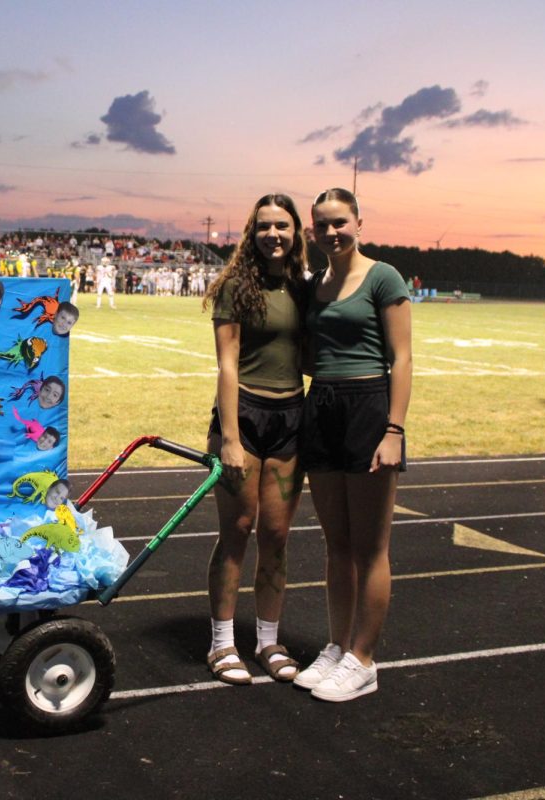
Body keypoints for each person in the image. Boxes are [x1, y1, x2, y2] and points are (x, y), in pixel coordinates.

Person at [295, 188, 412, 702]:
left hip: (368, 405)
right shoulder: (314, 283)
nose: (331, 233)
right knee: (336, 544)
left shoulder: (384, 276)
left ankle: (364, 660)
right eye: (322, 225)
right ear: (311, 231)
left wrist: (394, 430)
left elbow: (402, 358)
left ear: (359, 222)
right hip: (320, 404)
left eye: (339, 222)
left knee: (370, 547)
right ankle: (338, 646)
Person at [200, 193, 309, 686]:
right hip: (242, 414)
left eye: (282, 226)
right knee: (238, 529)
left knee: (277, 536)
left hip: (290, 417)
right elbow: (227, 362)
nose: (273, 235)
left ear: (296, 232)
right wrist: (229, 437)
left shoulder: (303, 288)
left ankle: (268, 641)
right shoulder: (236, 287)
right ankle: (223, 644)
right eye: (264, 226)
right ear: (252, 232)